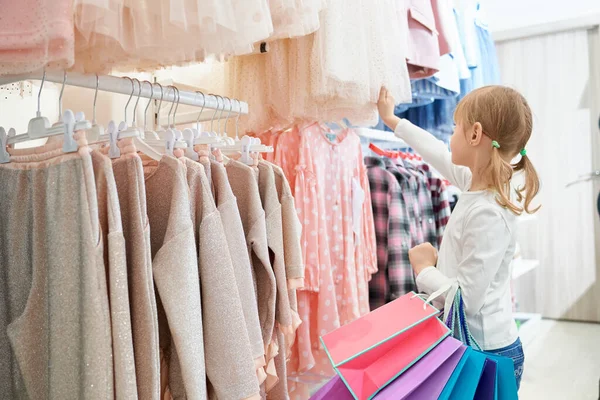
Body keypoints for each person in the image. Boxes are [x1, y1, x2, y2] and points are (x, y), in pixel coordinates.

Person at [377, 85, 540, 390]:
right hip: (477, 344)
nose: (449, 136)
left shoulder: (487, 211)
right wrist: (394, 121)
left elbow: (467, 303)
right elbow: (437, 151)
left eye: (455, 128)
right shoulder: (474, 184)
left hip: (486, 351)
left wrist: (425, 269)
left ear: (475, 134)